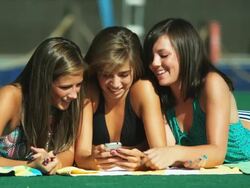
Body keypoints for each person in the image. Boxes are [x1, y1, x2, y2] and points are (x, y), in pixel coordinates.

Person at [142, 18, 250, 170]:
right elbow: (164, 151)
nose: (154, 63)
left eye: (164, 55)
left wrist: (174, 153)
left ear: (186, 52)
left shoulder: (212, 84)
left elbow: (217, 152)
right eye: (150, 57)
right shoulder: (160, 94)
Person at [75, 26, 167, 171]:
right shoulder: (89, 92)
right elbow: (81, 156)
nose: (115, 84)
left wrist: (142, 162)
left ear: (135, 69)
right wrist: (93, 160)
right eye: (106, 75)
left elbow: (161, 153)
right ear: (96, 70)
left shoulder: (143, 90)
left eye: (123, 75)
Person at [0, 37, 87, 174]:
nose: (74, 95)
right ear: (43, 82)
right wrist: (29, 165)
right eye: (65, 87)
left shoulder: (74, 100)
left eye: (79, 84)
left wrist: (55, 163)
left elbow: (69, 151)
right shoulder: (11, 97)